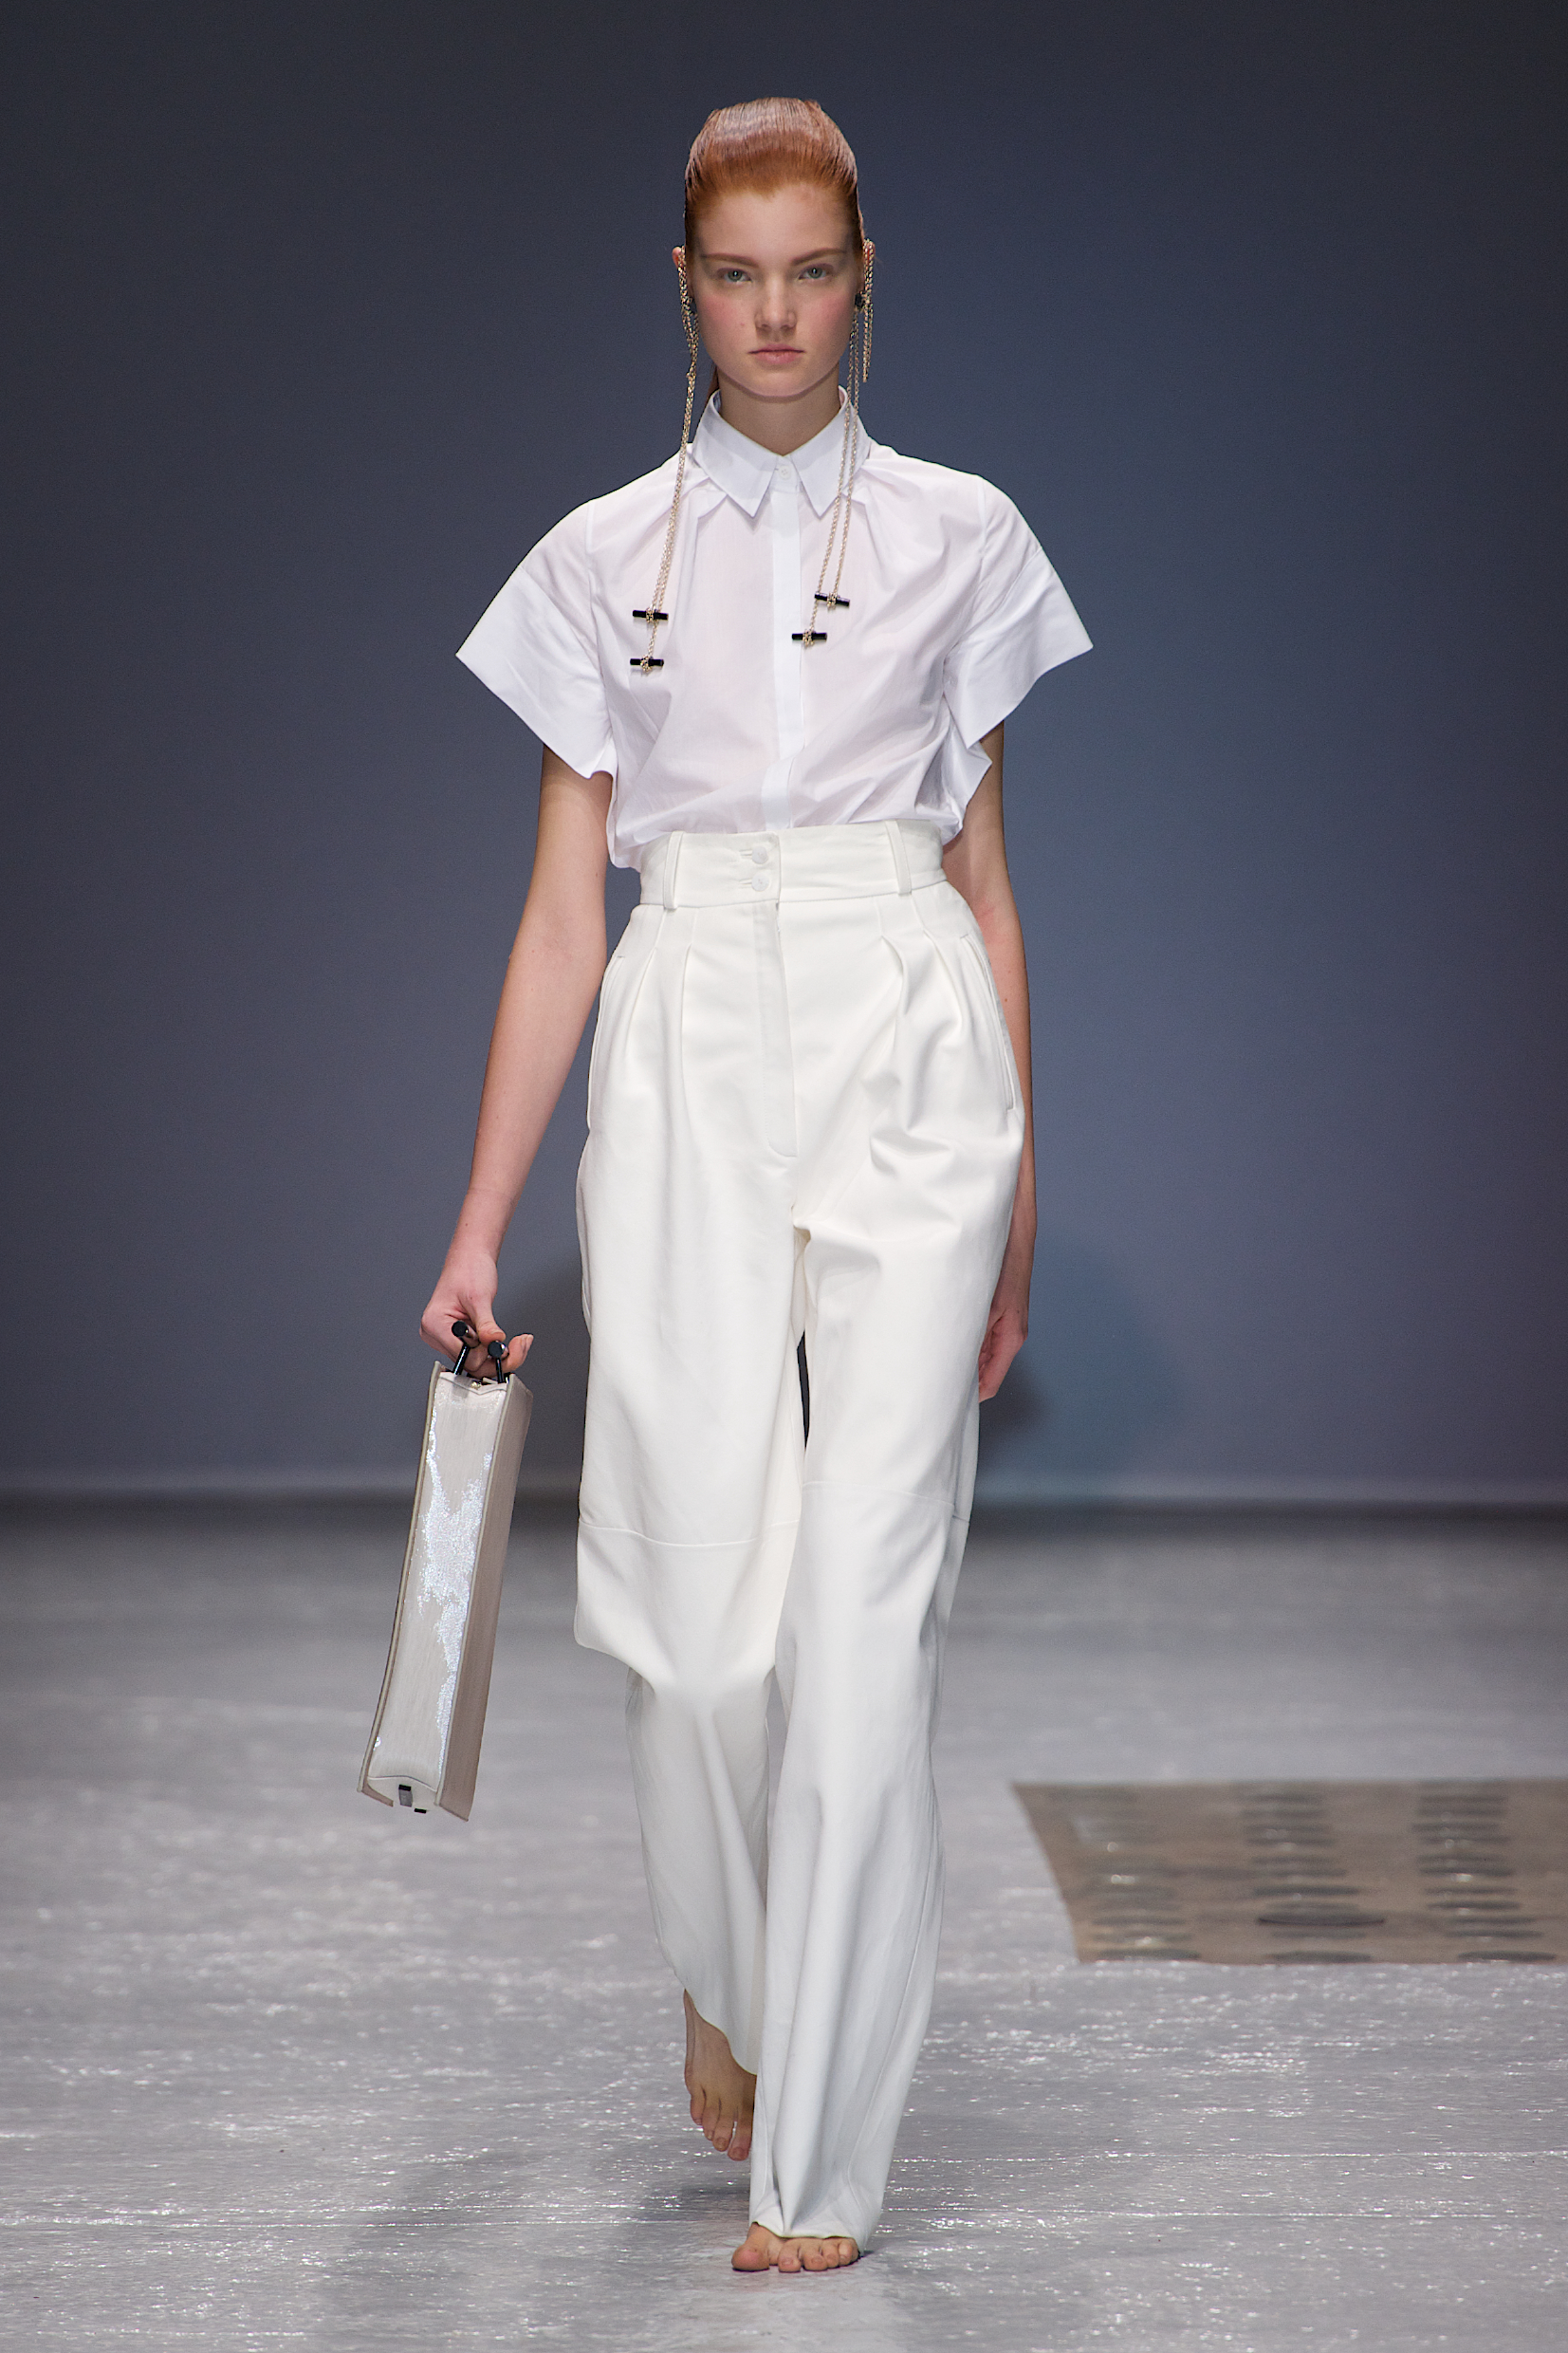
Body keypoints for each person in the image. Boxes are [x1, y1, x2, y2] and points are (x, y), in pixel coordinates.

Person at [420, 95, 1089, 2272]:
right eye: (737, 275)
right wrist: (475, 1219)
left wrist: (1015, 1196)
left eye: (811, 271)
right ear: (684, 287)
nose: (775, 315)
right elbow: (559, 923)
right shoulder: (594, 557)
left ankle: (817, 2161)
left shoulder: (963, 536)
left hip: (904, 1030)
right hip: (690, 1022)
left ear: (861, 278)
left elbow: (986, 886)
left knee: (862, 1621)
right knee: (695, 1635)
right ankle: (725, 1968)